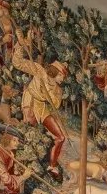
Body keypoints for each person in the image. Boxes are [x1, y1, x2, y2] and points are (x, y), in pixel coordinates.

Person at [13, 32, 69, 172]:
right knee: (27, 130)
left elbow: (56, 104)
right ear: (55, 72)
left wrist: (49, 91)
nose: (62, 79)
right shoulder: (39, 70)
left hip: (42, 107)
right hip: (31, 100)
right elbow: (17, 63)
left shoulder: (57, 89)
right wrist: (20, 44)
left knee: (61, 137)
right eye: (61, 75)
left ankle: (52, 166)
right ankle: (20, 163)